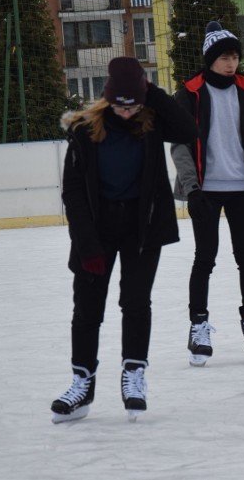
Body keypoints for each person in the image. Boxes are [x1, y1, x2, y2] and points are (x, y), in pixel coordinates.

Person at [51, 57, 198, 424]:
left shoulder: (152, 122)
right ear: (107, 99)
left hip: (142, 229)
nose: (127, 112)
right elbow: (72, 191)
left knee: (135, 303)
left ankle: (134, 373)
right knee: (87, 309)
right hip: (97, 231)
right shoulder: (84, 131)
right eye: (120, 104)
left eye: (133, 104)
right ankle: (82, 383)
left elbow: (188, 131)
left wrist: (151, 93)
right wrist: (87, 246)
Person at [171, 21, 244, 367]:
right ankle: (198, 325)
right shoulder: (189, 94)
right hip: (207, 191)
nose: (231, 63)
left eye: (234, 56)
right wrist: (193, 189)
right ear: (209, 59)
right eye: (224, 57)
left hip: (242, 189)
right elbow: (181, 147)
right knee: (206, 256)